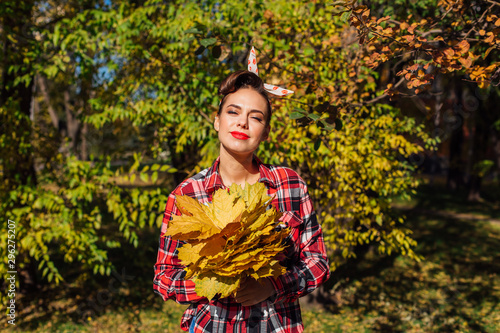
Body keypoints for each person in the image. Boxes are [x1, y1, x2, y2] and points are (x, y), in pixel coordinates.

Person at [153, 69, 330, 332]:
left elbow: (317, 262)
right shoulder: (186, 194)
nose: (242, 123)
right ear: (217, 121)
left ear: (266, 131)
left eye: (255, 117)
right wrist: (216, 282)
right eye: (233, 112)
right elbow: (164, 278)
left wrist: (273, 286)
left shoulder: (289, 184)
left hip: (275, 326)